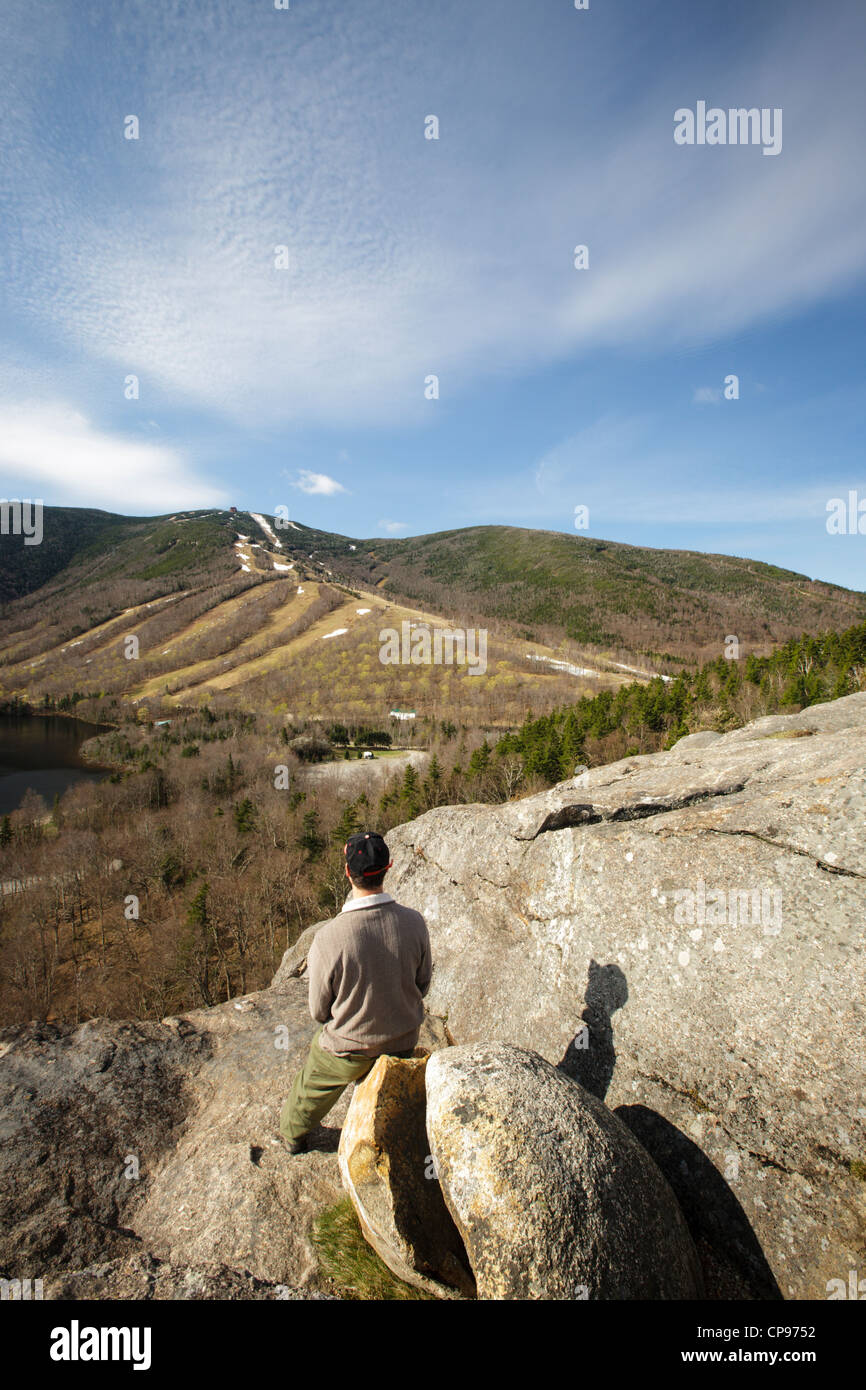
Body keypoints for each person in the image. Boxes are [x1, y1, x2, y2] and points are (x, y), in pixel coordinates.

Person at [279, 829, 433, 1154]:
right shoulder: (414, 922)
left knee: (313, 1080)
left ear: (348, 872)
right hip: (403, 1041)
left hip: (349, 1050)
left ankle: (293, 1135)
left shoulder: (329, 937)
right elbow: (423, 984)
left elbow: (319, 1011)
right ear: (388, 867)